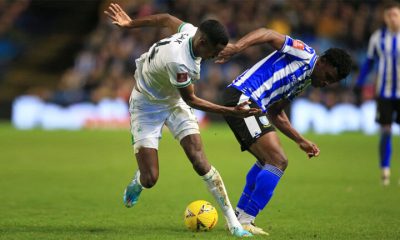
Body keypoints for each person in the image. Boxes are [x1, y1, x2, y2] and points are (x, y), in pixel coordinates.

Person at [104, 3, 261, 237]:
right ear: (202, 43)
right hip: (147, 105)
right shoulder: (179, 62)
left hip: (173, 101)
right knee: (151, 178)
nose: (215, 57)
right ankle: (139, 181)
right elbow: (193, 101)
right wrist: (231, 112)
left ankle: (233, 224)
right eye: (214, 52)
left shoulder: (191, 32)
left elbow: (166, 18)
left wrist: (130, 24)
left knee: (200, 161)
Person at [216, 28, 352, 235]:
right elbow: (267, 33)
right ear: (323, 61)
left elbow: (276, 113)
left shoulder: (304, 81)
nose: (326, 83)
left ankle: (238, 218)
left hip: (253, 104)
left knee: (267, 161)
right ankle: (246, 220)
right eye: (328, 76)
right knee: (278, 160)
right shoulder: (305, 54)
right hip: (243, 98)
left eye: (331, 82)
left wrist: (300, 140)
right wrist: (237, 47)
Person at [355, 2, 400, 186]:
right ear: (384, 17)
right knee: (386, 130)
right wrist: (359, 82)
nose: (393, 18)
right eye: (389, 15)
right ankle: (385, 170)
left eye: (396, 14)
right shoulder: (377, 37)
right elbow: (369, 62)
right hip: (384, 93)